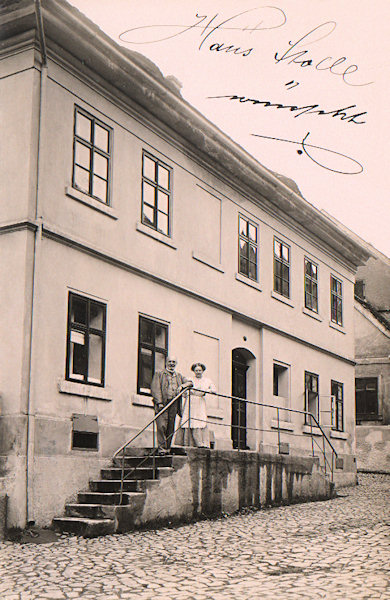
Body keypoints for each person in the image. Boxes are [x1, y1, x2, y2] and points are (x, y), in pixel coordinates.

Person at [150, 356, 189, 453]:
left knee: (171, 427)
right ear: (166, 362)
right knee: (162, 426)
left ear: (176, 364)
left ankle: (167, 448)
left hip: (174, 404)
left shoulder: (179, 376)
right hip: (163, 404)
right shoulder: (159, 374)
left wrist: (182, 386)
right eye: (170, 361)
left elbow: (190, 383)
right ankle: (162, 448)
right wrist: (159, 402)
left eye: (174, 362)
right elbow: (155, 389)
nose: (172, 364)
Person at [176, 362, 216, 448]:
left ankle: (200, 442)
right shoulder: (189, 379)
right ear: (193, 371)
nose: (198, 372)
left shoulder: (207, 380)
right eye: (196, 370)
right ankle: (187, 443)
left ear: (203, 371)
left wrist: (205, 390)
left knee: (199, 420)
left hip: (200, 402)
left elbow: (214, 390)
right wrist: (187, 392)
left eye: (200, 370)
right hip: (190, 401)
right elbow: (184, 390)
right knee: (189, 419)